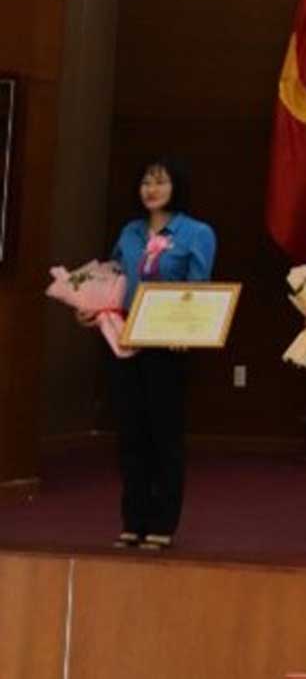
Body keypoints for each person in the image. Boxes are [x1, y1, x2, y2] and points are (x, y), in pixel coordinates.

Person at [93, 159, 216, 552]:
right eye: (146, 181)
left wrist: (186, 331)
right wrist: (90, 305)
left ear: (176, 187)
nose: (151, 188)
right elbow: (114, 279)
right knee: (130, 432)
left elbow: (200, 288)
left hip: (169, 344)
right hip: (126, 341)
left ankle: (162, 522)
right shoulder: (130, 232)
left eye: (160, 182)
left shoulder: (197, 233)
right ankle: (133, 520)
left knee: (165, 433)